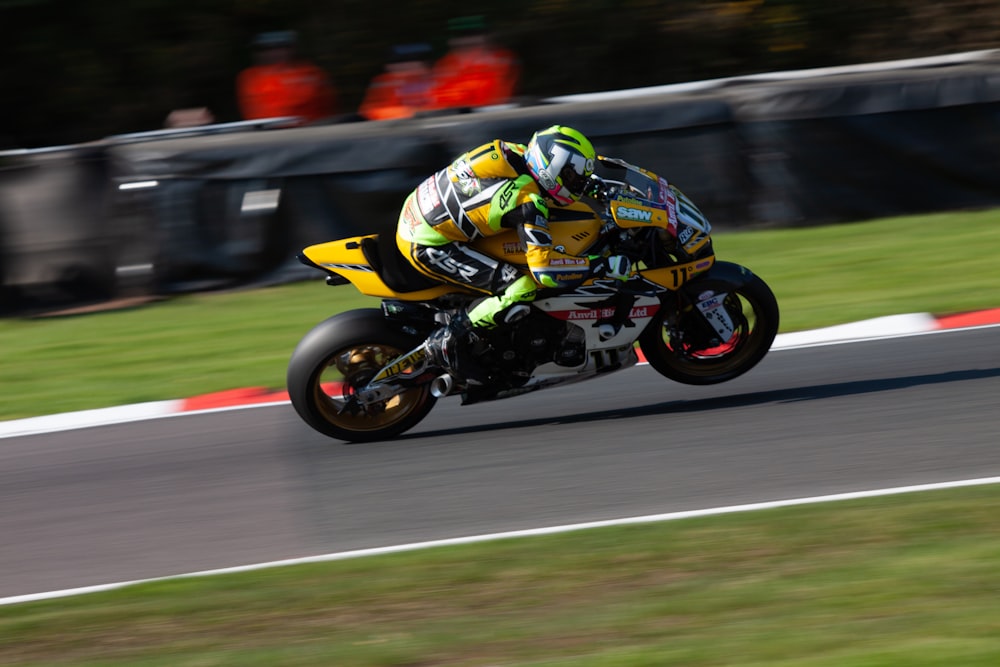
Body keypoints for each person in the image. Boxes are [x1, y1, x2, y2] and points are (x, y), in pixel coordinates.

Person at [396, 125, 632, 382]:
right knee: (522, 286)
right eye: (573, 177)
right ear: (551, 170)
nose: (577, 185)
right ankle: (452, 339)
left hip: (418, 208)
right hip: (427, 243)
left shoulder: (517, 152)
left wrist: (595, 189)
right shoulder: (527, 202)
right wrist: (600, 264)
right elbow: (546, 272)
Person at [236, 30, 337, 126]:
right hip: (268, 134)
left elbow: (325, 105)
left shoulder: (311, 73)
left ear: (291, 49)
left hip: (310, 130)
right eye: (267, 49)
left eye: (280, 47)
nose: (274, 52)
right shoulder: (250, 77)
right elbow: (253, 110)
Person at [427, 16, 519, 111]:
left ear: (485, 36)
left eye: (473, 34)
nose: (468, 39)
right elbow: (441, 98)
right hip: (458, 116)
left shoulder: (502, 58)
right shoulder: (445, 64)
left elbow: (497, 91)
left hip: (494, 113)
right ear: (452, 40)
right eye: (461, 35)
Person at [359, 43, 434, 121]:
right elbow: (371, 111)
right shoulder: (384, 82)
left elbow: (443, 105)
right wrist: (411, 112)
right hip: (400, 126)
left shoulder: (436, 77)